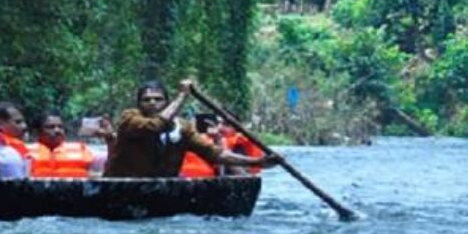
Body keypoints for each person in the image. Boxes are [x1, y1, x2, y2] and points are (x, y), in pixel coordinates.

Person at [105, 80, 280, 178]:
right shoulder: (130, 118)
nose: (152, 103)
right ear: (139, 104)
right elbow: (156, 126)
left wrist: (256, 163)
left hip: (163, 186)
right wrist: (182, 96)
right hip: (123, 185)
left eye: (158, 99)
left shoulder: (182, 128)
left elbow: (214, 154)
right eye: (147, 99)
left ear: (166, 102)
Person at [27, 111, 111, 178]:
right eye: (51, 127)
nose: (57, 130)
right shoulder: (24, 152)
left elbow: (112, 161)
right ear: (37, 132)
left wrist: (110, 138)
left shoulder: (82, 149)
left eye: (60, 127)